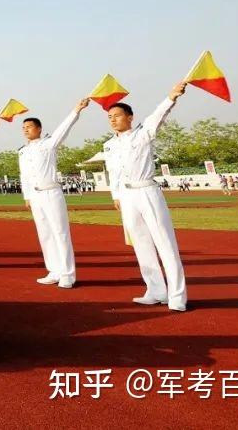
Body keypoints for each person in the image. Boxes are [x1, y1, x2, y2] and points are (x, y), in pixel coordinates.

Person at [103, 81, 189, 312]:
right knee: (141, 244)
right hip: (127, 195)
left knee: (164, 242)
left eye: (117, 115)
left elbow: (159, 114)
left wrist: (171, 97)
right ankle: (155, 290)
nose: (112, 120)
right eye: (109, 116)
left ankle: (177, 295)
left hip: (147, 191)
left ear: (130, 117)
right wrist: (116, 195)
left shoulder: (143, 133)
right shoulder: (109, 145)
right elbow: (113, 172)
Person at [18, 99, 89, 289]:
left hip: (51, 193)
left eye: (29, 127)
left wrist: (76, 111)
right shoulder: (23, 152)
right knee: (45, 234)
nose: (26, 130)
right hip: (35, 196)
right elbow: (24, 176)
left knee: (60, 232)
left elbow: (63, 129)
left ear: (39, 129)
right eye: (23, 127)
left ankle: (67, 273)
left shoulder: (48, 144)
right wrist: (27, 196)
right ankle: (54, 270)